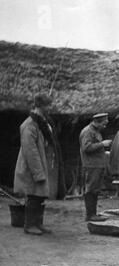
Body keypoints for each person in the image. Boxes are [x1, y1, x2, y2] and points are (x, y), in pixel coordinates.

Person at [14, 93, 66, 235]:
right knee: (33, 195)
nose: (50, 108)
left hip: (43, 165)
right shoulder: (29, 125)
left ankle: (38, 223)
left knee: (41, 196)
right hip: (32, 167)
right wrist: (38, 172)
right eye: (48, 105)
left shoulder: (43, 122)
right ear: (40, 106)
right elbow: (31, 152)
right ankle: (29, 225)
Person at [79, 113, 112, 222]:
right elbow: (86, 148)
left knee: (95, 189)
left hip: (97, 165)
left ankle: (93, 214)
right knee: (91, 189)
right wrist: (102, 144)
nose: (105, 126)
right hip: (91, 165)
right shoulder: (88, 132)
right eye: (104, 123)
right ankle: (90, 215)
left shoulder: (95, 131)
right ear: (97, 122)